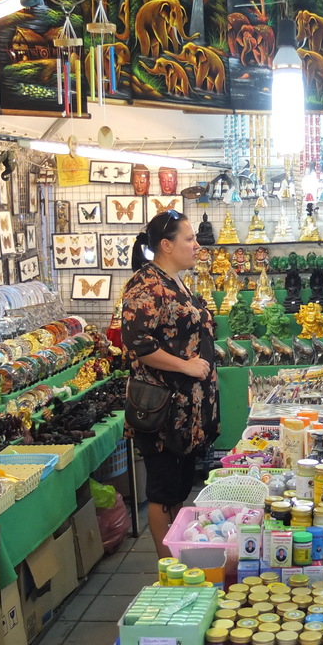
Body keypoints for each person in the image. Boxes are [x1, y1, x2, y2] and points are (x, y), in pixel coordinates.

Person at [121, 210, 219, 559]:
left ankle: (179, 554)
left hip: (186, 409)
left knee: (178, 487)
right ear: (166, 245)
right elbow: (139, 345)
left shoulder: (175, 281)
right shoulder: (146, 286)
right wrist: (187, 366)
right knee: (163, 490)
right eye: (189, 239)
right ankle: (168, 569)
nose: (197, 245)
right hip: (163, 410)